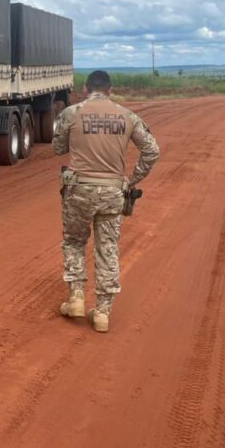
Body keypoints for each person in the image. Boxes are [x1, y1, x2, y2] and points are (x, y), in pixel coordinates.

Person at [52, 70, 160, 332]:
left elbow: (58, 148)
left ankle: (76, 297)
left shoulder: (72, 112)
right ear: (110, 91)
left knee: (74, 242)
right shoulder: (127, 116)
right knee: (107, 247)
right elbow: (152, 151)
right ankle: (102, 312)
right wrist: (131, 180)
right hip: (112, 191)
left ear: (86, 90)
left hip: (79, 189)